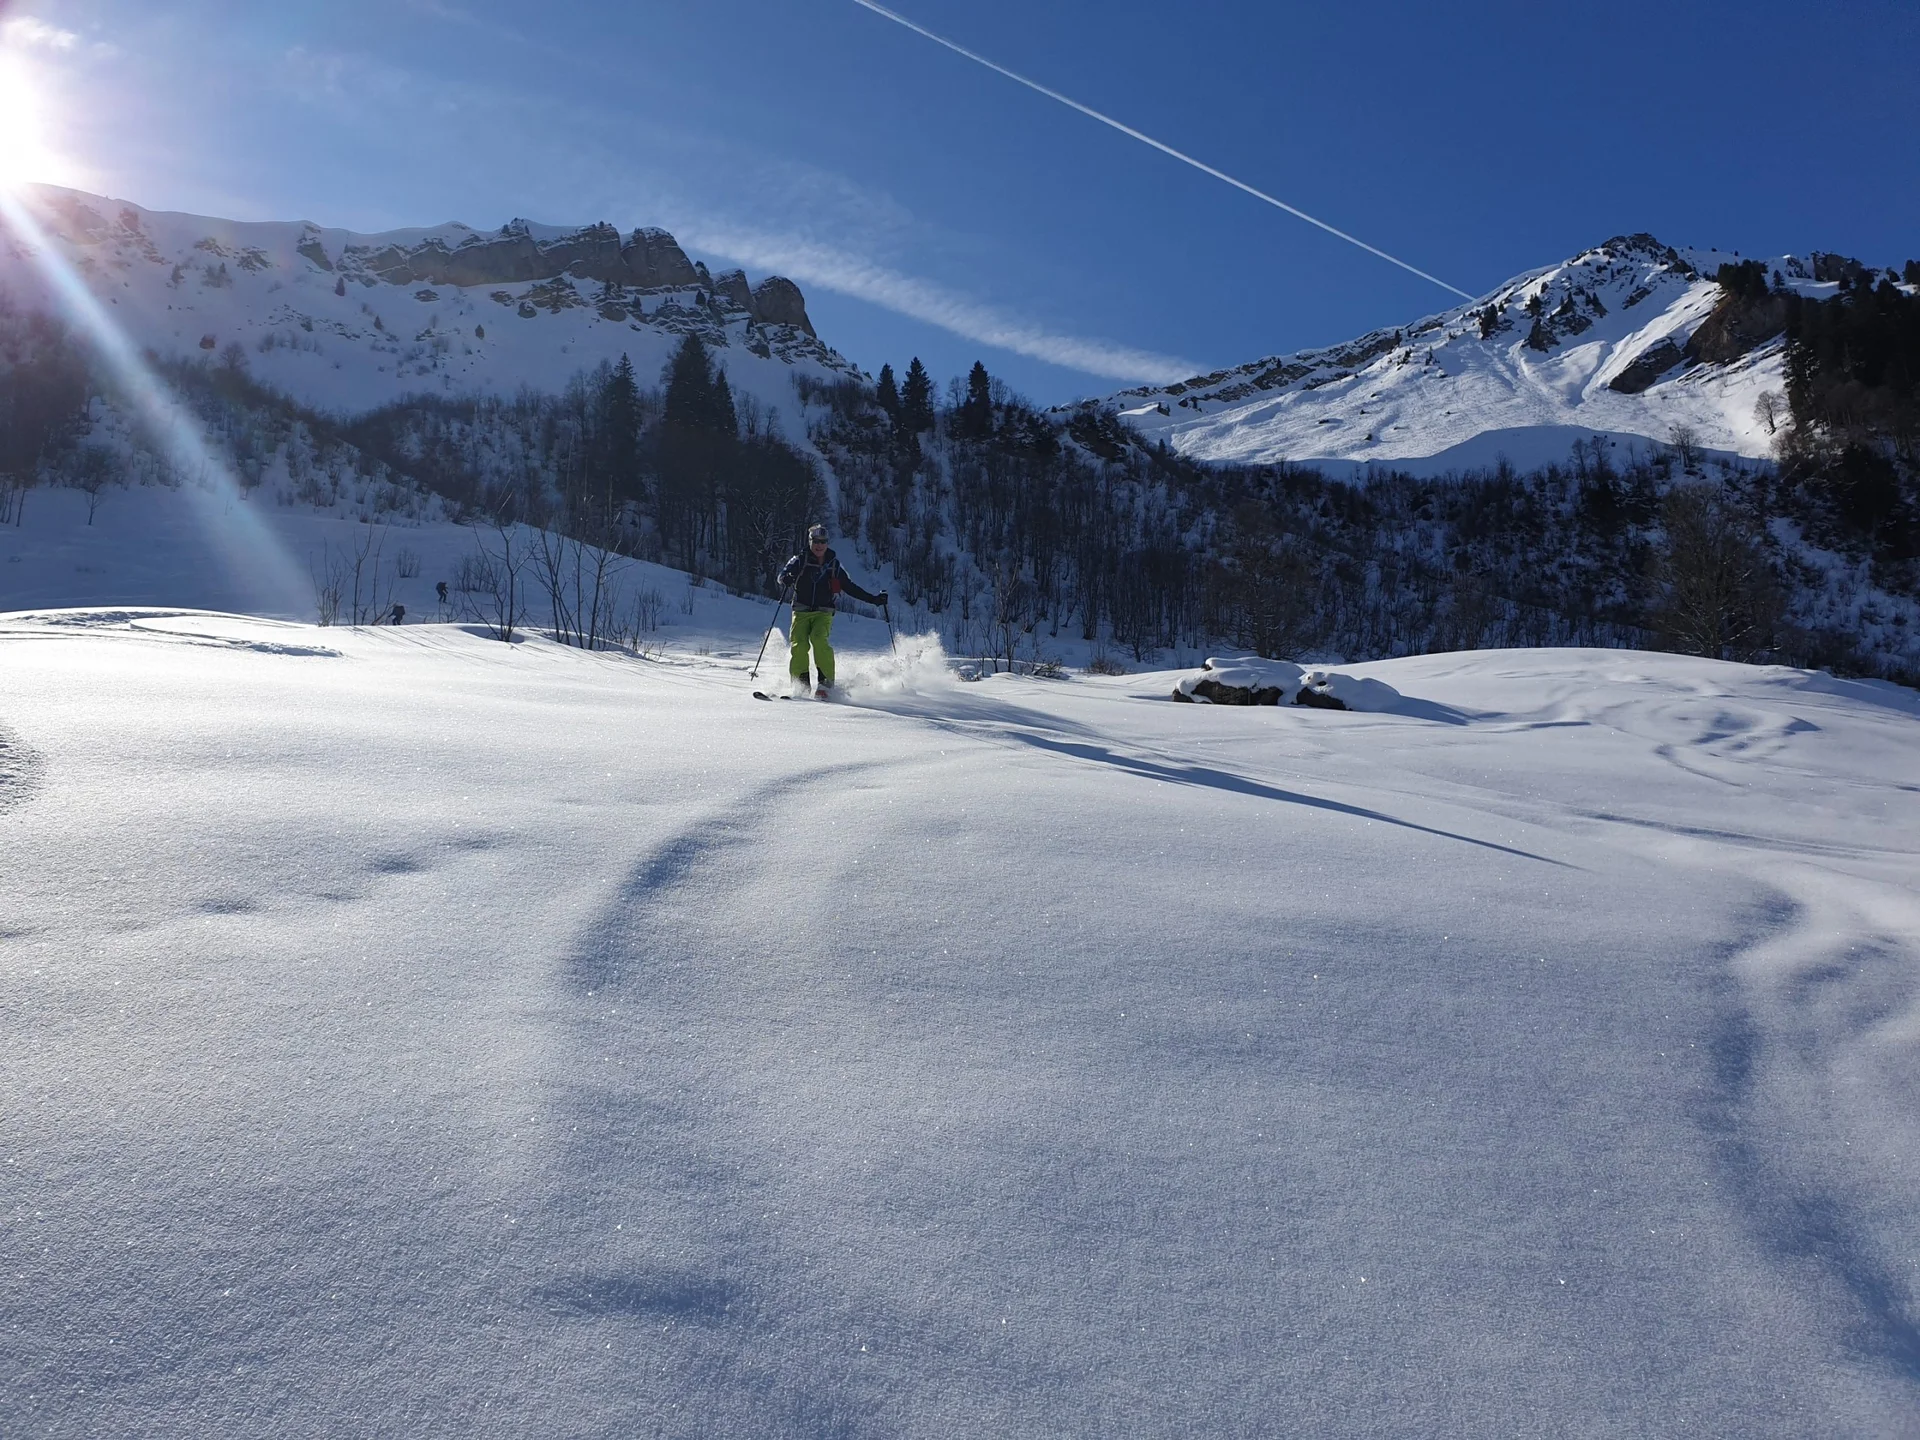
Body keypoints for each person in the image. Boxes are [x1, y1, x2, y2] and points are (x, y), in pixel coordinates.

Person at [776, 524, 886, 698]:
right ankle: (800, 685)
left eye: (823, 542)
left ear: (827, 543)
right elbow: (782, 575)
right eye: (816, 541)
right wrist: (786, 578)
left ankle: (825, 685)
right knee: (799, 645)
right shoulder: (800, 560)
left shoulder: (833, 565)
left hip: (823, 612)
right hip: (801, 610)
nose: (819, 545)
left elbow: (849, 587)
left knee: (819, 639)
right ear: (810, 541)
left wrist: (873, 599)